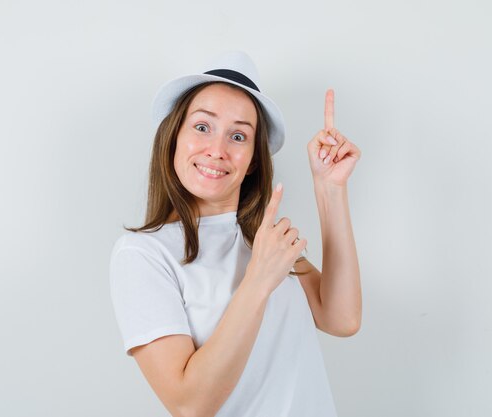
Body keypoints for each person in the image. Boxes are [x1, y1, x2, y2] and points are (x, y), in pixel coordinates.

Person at [109, 51, 362, 417]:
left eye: (239, 135)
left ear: (253, 160)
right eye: (201, 127)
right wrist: (258, 281)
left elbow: (341, 318)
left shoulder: (265, 242)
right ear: (174, 137)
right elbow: (189, 404)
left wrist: (330, 189)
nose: (217, 150)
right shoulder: (142, 254)